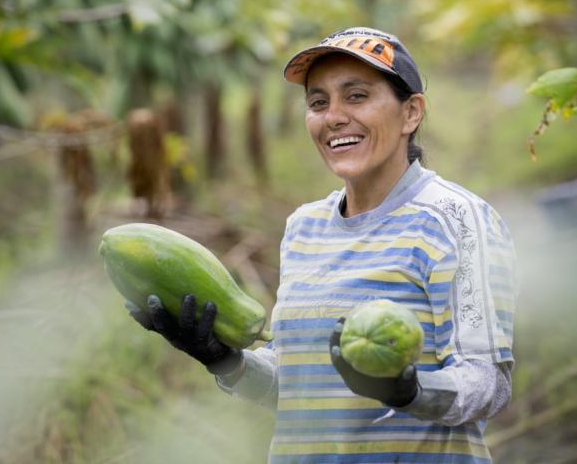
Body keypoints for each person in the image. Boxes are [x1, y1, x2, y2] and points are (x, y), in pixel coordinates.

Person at [127, 27, 517, 463]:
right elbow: (298, 392)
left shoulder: (458, 220)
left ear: (411, 113)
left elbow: (489, 385)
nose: (333, 116)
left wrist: (408, 391)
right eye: (318, 102)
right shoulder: (304, 227)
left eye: (356, 96)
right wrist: (223, 360)